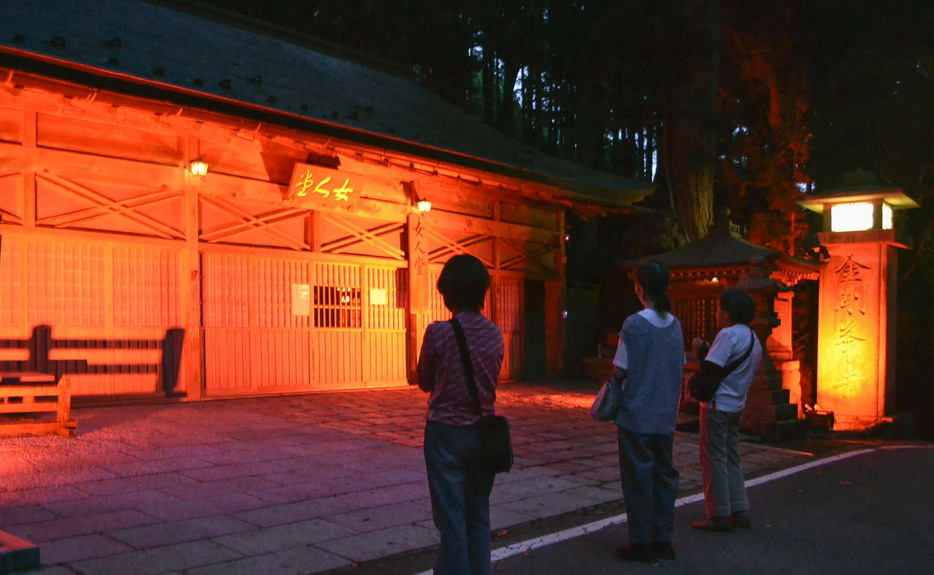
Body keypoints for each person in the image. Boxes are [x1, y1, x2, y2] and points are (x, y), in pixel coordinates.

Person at [417, 254, 505, 575]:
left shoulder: (438, 332)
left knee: (451, 519)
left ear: (448, 293)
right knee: (478, 513)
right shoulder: (495, 334)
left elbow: (424, 380)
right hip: (483, 433)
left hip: (445, 433)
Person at [608, 258, 685, 564]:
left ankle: (640, 542)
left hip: (636, 415)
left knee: (638, 479)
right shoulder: (676, 324)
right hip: (665, 415)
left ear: (639, 289)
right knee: (664, 477)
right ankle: (663, 539)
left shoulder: (634, 324)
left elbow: (619, 370)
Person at [691, 287, 762, 532]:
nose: (718, 313)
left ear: (728, 313)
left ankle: (718, 512)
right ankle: (739, 508)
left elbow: (711, 370)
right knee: (732, 456)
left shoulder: (728, 335)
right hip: (738, 405)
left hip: (717, 405)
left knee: (713, 458)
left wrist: (701, 351)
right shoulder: (754, 340)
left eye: (720, 309)